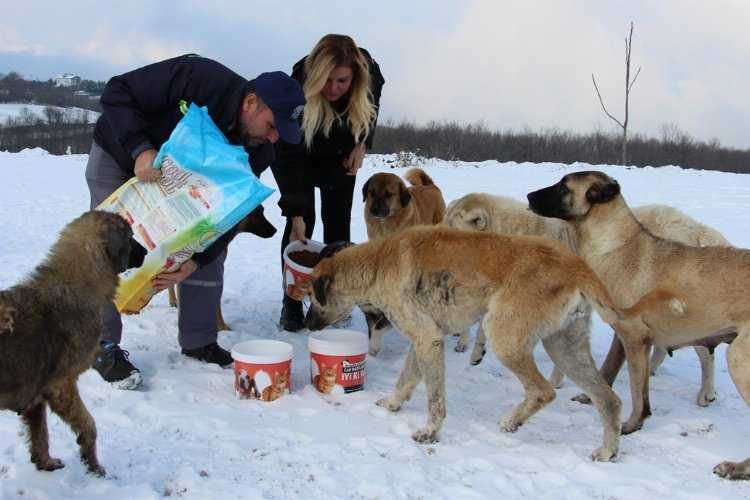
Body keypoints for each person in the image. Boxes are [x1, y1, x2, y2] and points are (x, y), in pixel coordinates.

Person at [85, 54, 306, 389]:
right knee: (106, 246)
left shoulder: (258, 150)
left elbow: (229, 212)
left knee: (206, 253)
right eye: (273, 126)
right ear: (250, 102)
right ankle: (101, 345)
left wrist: (197, 259)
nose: (274, 139)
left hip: (183, 190)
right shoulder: (198, 77)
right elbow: (117, 92)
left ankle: (199, 339)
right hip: (123, 154)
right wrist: (141, 150)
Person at [274, 34, 385, 331]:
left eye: (342, 81)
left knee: (338, 228)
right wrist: (295, 210)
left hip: (340, 157)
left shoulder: (367, 75)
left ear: (356, 78)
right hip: (302, 156)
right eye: (327, 80)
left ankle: (334, 299)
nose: (333, 88)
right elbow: (286, 154)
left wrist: (362, 143)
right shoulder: (296, 86)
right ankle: (292, 303)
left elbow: (372, 109)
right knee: (300, 230)